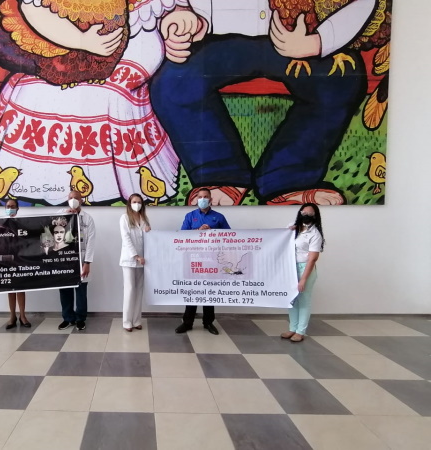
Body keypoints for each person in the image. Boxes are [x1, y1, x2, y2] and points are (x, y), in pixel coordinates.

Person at [0, 0, 195, 206]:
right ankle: (24, 185)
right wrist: (82, 41)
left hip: (128, 53)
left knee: (110, 97)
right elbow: (34, 11)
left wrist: (180, 21)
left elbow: (171, 8)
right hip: (63, 50)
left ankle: (115, 185)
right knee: (38, 92)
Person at [151, 0, 376, 205]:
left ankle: (289, 179)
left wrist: (320, 41)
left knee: (340, 78)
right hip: (216, 37)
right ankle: (218, 174)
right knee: (173, 82)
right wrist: (181, 15)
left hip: (301, 37)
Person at [176, 187, 229, 335]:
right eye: (200, 197)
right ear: (196, 199)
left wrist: (213, 232)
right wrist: (198, 232)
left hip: (212, 259)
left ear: (211, 199)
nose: (203, 199)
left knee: (209, 291)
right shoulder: (190, 216)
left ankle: (208, 322)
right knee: (193, 290)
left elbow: (230, 236)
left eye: (205, 197)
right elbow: (182, 236)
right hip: (194, 259)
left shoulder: (219, 217)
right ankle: (187, 322)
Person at [281, 203, 324, 342]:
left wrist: (304, 279)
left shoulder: (315, 234)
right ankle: (292, 328)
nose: (306, 216)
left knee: (304, 300)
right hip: (291, 268)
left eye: (310, 214)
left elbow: (313, 258)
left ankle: (300, 331)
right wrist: (289, 231)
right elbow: (281, 240)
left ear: (315, 216)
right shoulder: (293, 227)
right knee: (292, 299)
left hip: (305, 268)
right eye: (304, 213)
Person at [57, 191, 96, 331]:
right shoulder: (60, 214)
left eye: (76, 198)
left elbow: (91, 242)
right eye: (70, 198)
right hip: (65, 259)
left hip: (81, 259)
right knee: (65, 291)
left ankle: (80, 318)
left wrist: (87, 263)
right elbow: (51, 229)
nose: (73, 200)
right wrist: (66, 216)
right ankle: (68, 318)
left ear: (82, 200)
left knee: (81, 292)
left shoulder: (88, 219)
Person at [119, 193, 151, 331]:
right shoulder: (124, 218)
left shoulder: (144, 219)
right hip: (129, 259)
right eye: (134, 201)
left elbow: (148, 239)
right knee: (130, 289)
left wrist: (149, 231)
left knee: (139, 290)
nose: (136, 204)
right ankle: (127, 321)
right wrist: (136, 256)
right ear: (129, 203)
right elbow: (126, 238)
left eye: (139, 202)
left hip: (143, 260)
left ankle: (137, 320)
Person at [4, 199, 31, 329]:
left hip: (20, 259)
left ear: (18, 208)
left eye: (13, 206)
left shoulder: (22, 223)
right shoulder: (0, 223)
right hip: (6, 259)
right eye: (8, 206)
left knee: (20, 288)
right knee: (10, 289)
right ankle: (12, 316)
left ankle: (23, 316)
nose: (10, 208)